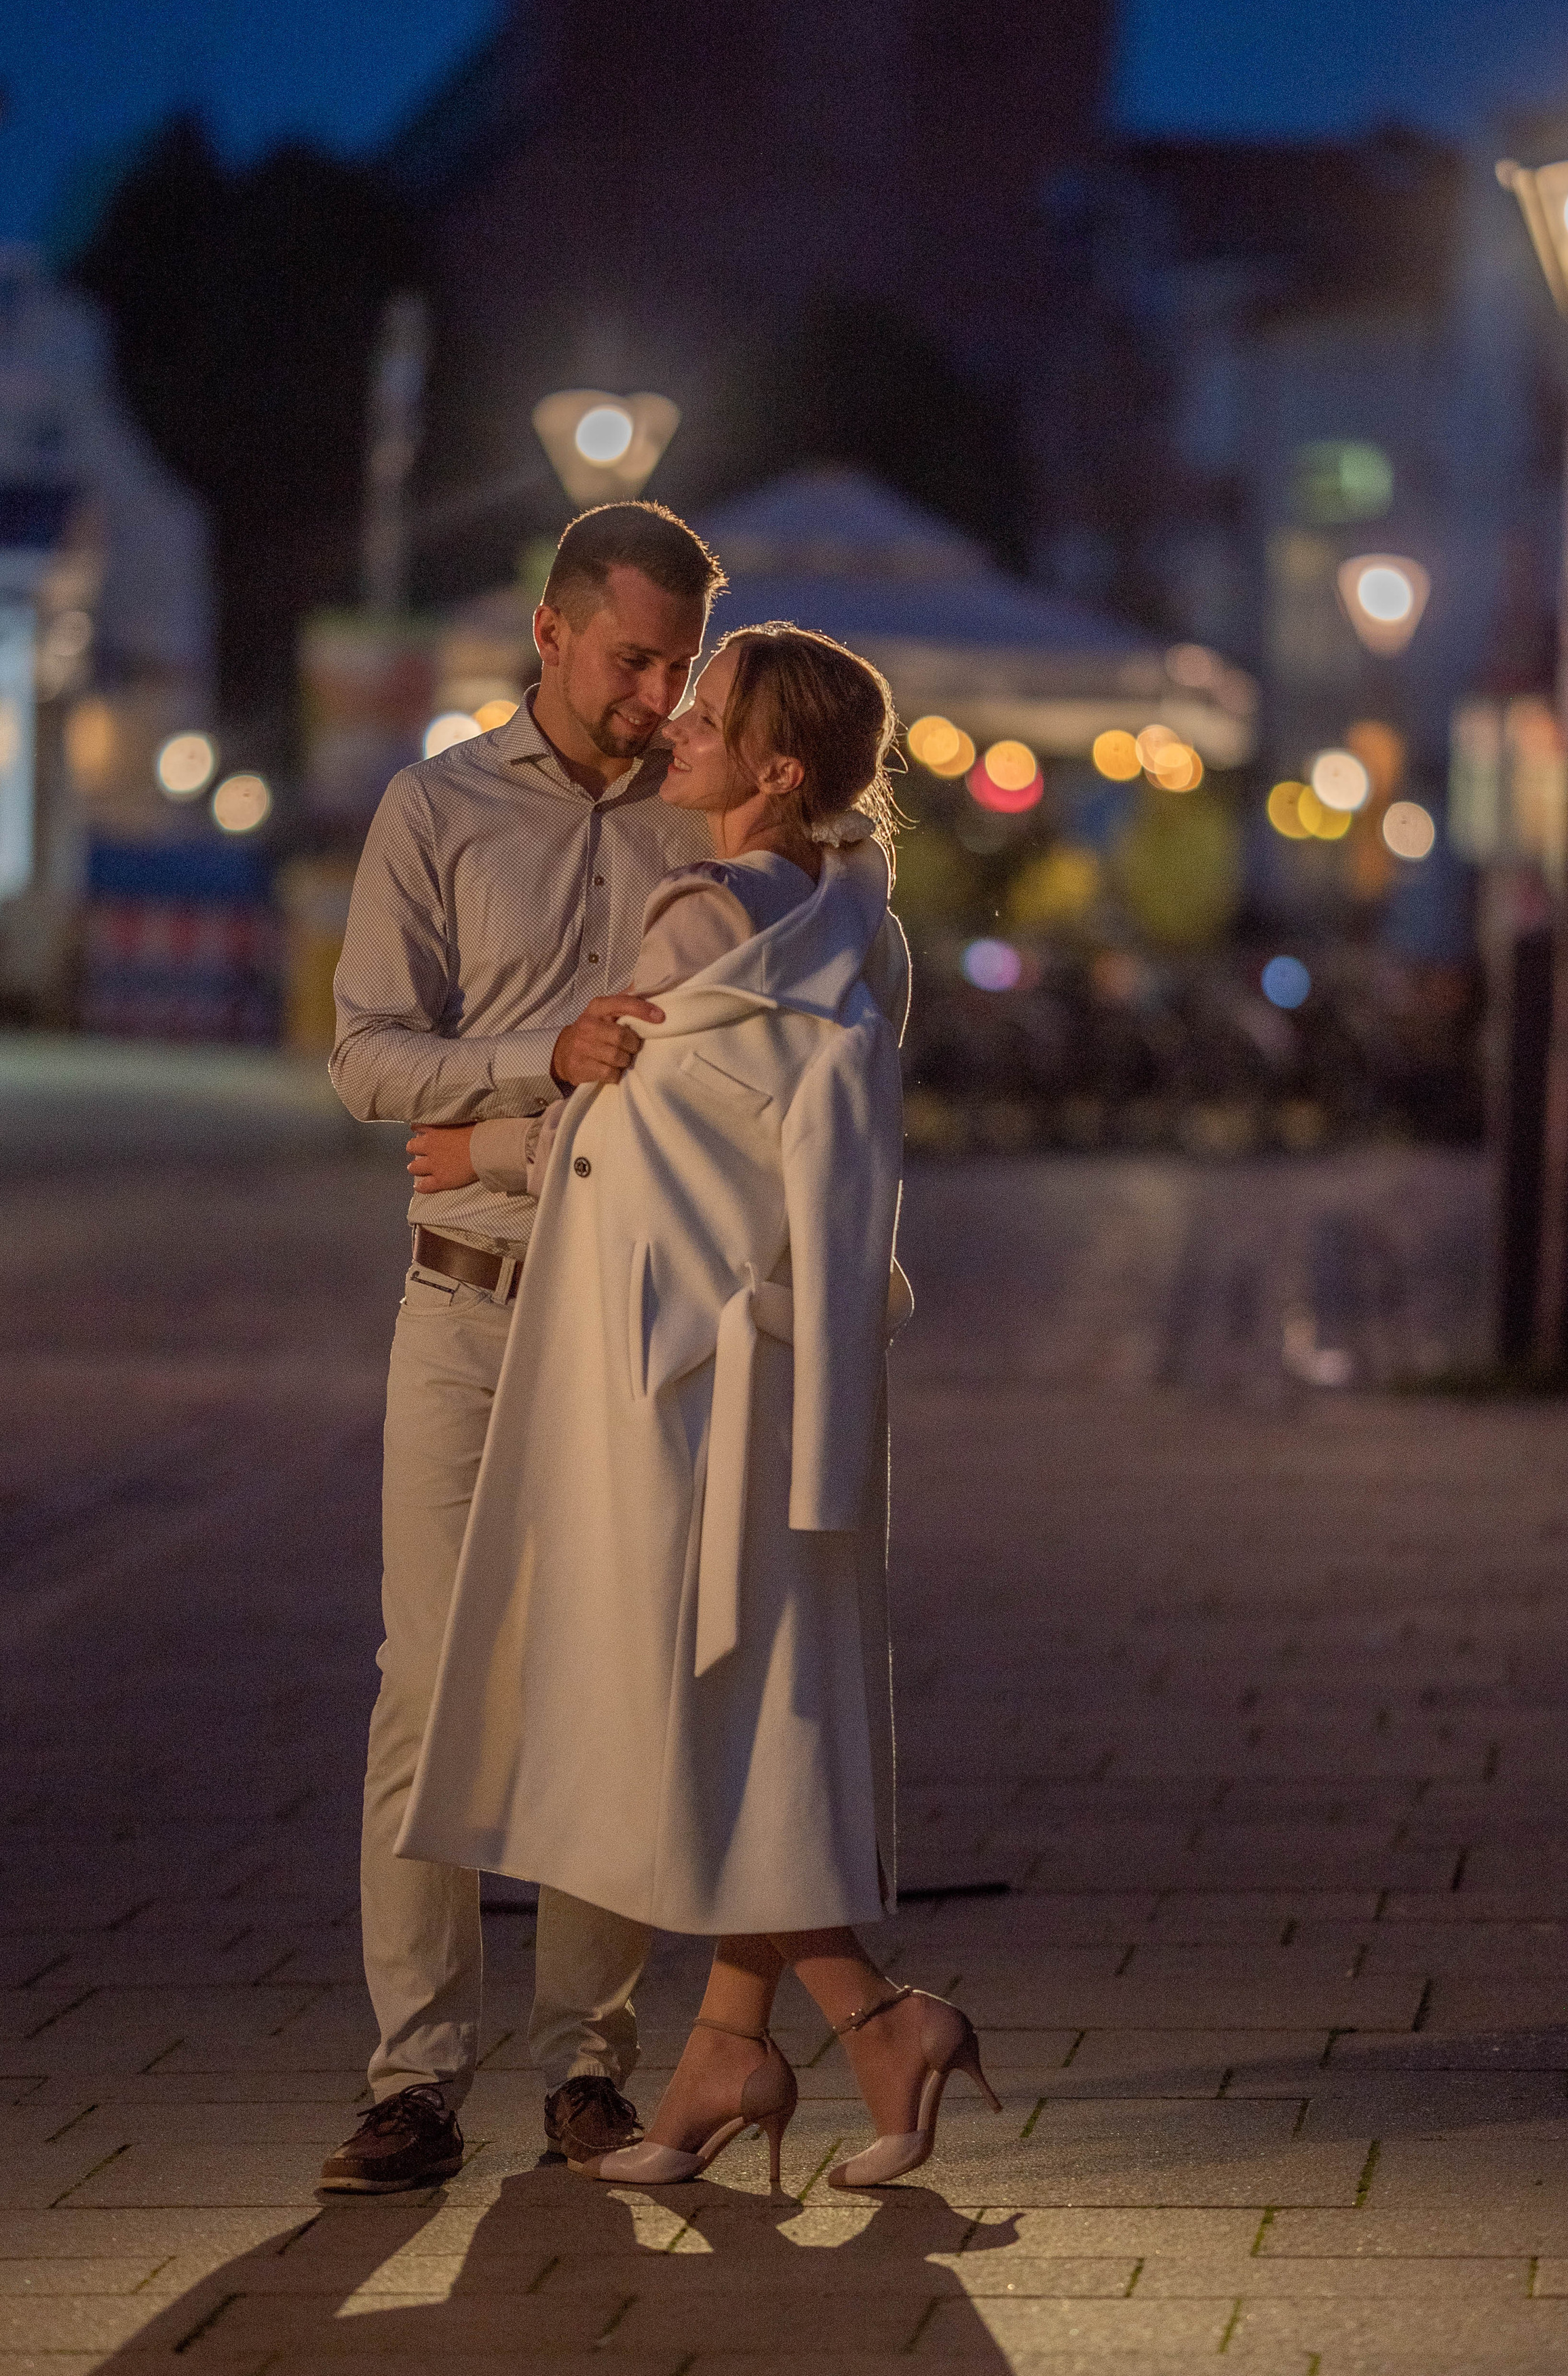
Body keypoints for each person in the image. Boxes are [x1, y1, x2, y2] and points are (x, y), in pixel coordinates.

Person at [398, 624, 1000, 2192]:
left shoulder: (700, 919)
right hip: (797, 1369)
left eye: (709, 714)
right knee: (759, 1700)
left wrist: (489, 1154)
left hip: (678, 1380)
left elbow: (631, 1149)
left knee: (682, 1715)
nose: (677, 728)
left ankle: (875, 2016)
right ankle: (728, 2051)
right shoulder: (855, 928)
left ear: (774, 768)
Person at [319, 501, 727, 2195]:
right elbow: (362, 1059)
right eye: (635, 658)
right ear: (550, 633)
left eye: (680, 666)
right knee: (429, 1684)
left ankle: (589, 2067)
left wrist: (517, 1113)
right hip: (466, 1306)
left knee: (609, 1682)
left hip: (627, 1311)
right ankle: (414, 2078)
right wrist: (529, 1067)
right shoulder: (434, 808)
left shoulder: (706, 821)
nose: (658, 697)